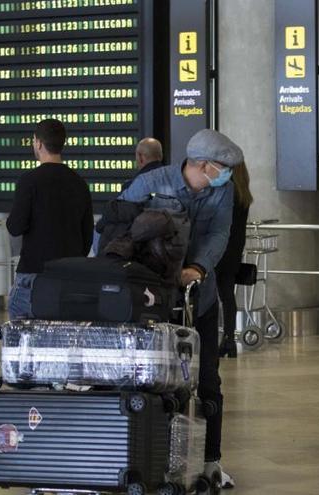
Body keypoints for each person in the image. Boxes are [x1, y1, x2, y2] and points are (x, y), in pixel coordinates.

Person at [118, 128, 242, 489]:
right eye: (222, 168)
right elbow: (115, 226)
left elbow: (220, 234)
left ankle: (211, 461)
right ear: (202, 165)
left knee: (207, 381)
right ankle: (143, 459)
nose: (227, 175)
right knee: (148, 383)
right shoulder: (153, 183)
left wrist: (198, 268)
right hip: (149, 303)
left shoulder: (223, 191)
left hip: (197, 299)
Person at [5, 119, 93, 320]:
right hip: (70, 277)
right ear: (62, 143)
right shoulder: (79, 183)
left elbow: (15, 227)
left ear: (37, 143)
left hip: (33, 276)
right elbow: (87, 238)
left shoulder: (29, 181)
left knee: (20, 342)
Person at [216, 162, 254, 358]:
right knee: (227, 295)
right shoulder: (244, 195)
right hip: (234, 251)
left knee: (210, 296)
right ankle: (229, 339)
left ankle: (214, 337)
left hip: (219, 249)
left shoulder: (225, 192)